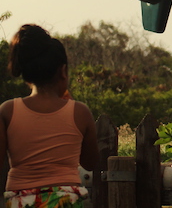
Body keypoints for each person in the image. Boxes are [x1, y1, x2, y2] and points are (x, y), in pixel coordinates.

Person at [0, 24, 99, 208]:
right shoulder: (80, 112)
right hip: (66, 201)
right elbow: (90, 162)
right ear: (62, 71)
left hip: (20, 201)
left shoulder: (7, 111)